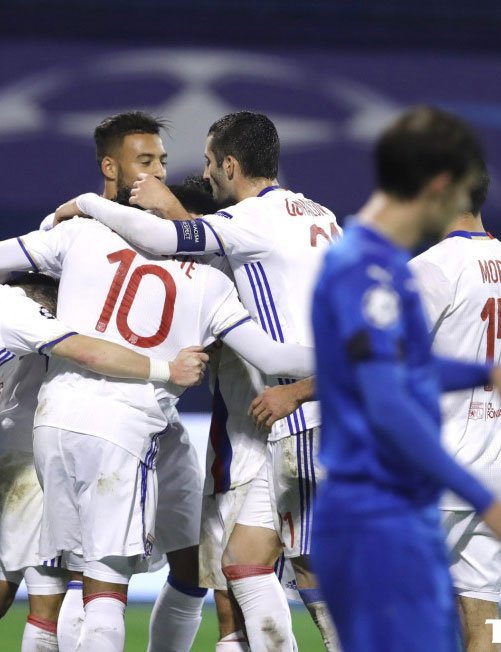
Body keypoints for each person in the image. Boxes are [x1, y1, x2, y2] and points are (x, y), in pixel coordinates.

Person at [57, 110, 342, 651]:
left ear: (230, 165)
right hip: (290, 415)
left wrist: (91, 205)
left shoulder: (250, 221)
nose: (204, 171)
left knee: (308, 564)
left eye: (210, 162)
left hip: (298, 414)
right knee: (242, 567)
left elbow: (169, 238)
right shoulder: (318, 215)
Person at [0, 204, 314, 651]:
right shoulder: (211, 283)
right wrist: (342, 360)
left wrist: (71, 211)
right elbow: (272, 357)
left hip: (51, 423)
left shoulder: (84, 237)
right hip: (122, 429)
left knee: (73, 578)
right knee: (106, 589)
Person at [309, 106, 501, 651]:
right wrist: (487, 503)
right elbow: (388, 399)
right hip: (381, 507)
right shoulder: (365, 267)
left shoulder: (394, 266)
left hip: (411, 494)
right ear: (442, 185)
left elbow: (405, 373)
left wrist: (484, 371)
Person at [0, 273, 206, 652]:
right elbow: (86, 350)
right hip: (40, 448)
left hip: (34, 444)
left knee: (49, 587)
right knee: (73, 588)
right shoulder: (17, 307)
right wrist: (169, 370)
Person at [408, 162, 501, 651]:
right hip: (499, 469)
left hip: (440, 471)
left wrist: (298, 391)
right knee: (482, 624)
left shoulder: (430, 268)